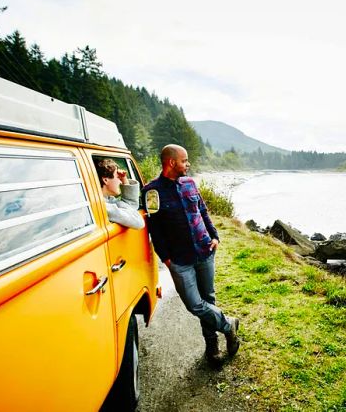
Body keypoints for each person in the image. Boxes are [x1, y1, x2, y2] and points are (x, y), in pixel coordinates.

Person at [143, 144, 240, 365]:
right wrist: (166, 259)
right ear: (171, 163)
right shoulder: (152, 192)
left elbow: (203, 211)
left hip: (205, 251)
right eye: (185, 161)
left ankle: (212, 347)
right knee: (195, 304)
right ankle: (229, 324)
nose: (188, 164)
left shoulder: (190, 183)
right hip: (179, 260)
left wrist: (214, 236)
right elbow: (155, 230)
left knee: (208, 299)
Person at [95, 158, 145, 229]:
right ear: (105, 180)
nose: (121, 182)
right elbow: (139, 222)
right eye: (118, 177)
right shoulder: (104, 207)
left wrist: (125, 179)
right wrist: (120, 203)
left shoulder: (109, 199)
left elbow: (132, 206)